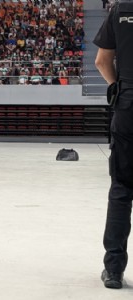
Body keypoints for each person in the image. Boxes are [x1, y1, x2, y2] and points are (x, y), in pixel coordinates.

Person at [93, 0, 133, 289]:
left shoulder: (122, 9)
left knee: (121, 188)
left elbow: (101, 61)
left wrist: (118, 88)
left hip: (129, 106)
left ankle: (114, 270)